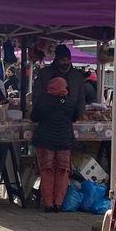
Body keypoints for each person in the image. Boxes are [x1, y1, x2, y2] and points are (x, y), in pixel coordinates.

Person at [32, 76, 81, 212]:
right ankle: (58, 203)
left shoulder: (44, 100)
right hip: (64, 141)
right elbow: (75, 116)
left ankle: (48, 203)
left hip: (46, 140)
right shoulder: (70, 101)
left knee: (47, 171)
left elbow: (34, 116)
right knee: (62, 172)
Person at [33, 44, 87, 119]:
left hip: (70, 116)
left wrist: (81, 114)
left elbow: (81, 98)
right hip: (48, 116)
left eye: (68, 60)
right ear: (57, 59)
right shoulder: (45, 73)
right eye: (62, 60)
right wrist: (37, 113)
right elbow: (37, 94)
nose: (66, 63)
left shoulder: (76, 75)